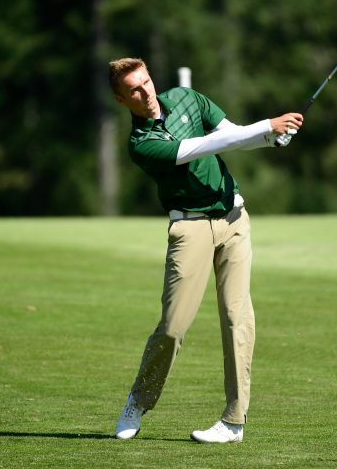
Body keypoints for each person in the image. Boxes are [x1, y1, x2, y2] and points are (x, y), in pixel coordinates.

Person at [108, 57, 303, 444]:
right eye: (135, 89)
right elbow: (202, 146)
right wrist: (267, 127)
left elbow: (230, 131)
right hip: (190, 228)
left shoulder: (185, 98)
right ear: (121, 99)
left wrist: (269, 138)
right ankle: (139, 400)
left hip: (234, 218)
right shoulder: (141, 144)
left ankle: (234, 420)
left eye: (146, 81)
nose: (146, 92)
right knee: (173, 327)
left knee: (238, 318)